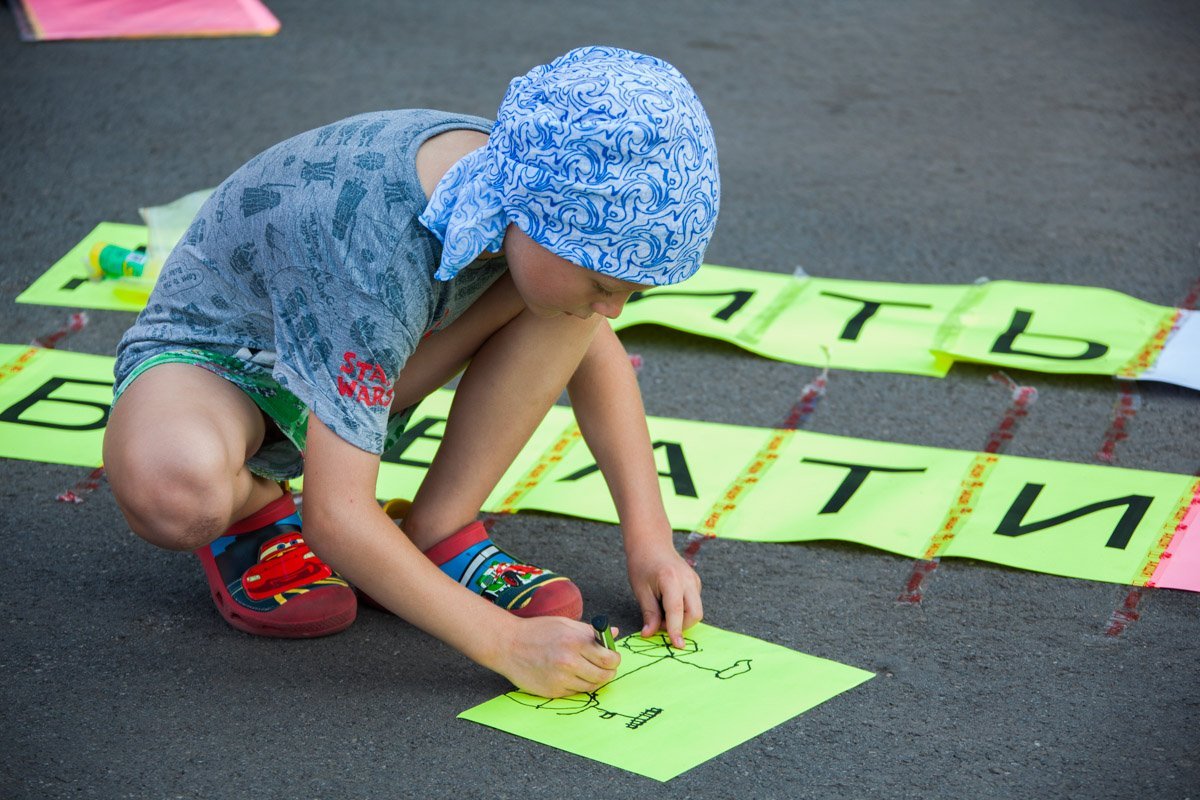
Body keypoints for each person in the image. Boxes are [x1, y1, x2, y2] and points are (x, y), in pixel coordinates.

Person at [102, 46, 720, 699]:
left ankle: (439, 529)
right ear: (536, 217)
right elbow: (337, 517)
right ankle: (256, 512)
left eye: (632, 293)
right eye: (602, 281)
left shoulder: (514, 180)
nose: (614, 309)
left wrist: (651, 543)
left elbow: (592, 349)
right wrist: (506, 645)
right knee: (173, 488)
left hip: (344, 359)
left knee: (563, 311)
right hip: (222, 366)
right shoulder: (379, 251)